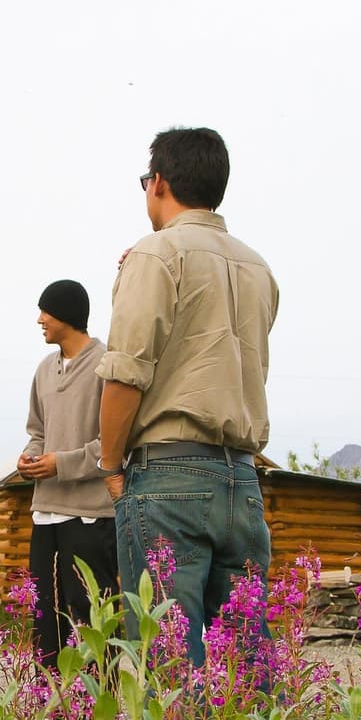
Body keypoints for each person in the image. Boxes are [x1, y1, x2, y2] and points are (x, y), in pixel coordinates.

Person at [96, 127, 279, 667]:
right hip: (241, 479)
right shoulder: (259, 266)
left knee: (168, 660)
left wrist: (110, 465)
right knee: (246, 662)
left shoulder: (155, 254)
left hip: (169, 478)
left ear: (159, 182)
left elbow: (126, 373)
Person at [17, 280, 116, 666]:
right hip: (45, 511)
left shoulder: (108, 364)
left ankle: (99, 712)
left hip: (91, 513)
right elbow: (37, 432)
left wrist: (62, 463)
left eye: (46, 311)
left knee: (92, 614)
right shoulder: (44, 369)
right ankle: (50, 706)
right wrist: (30, 458)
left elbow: (114, 442)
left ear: (67, 315)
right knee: (45, 615)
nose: (40, 319)